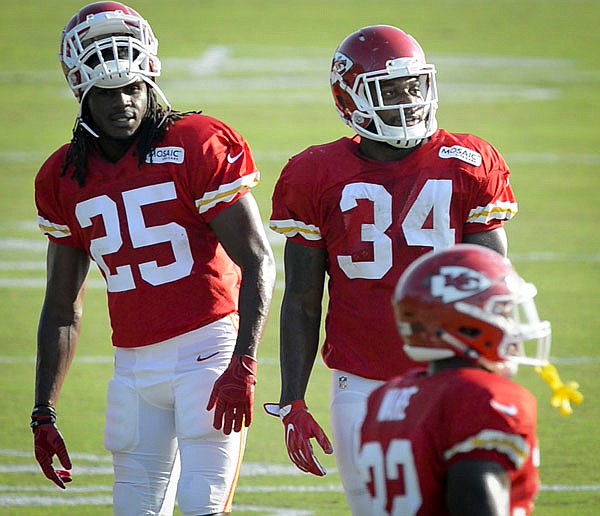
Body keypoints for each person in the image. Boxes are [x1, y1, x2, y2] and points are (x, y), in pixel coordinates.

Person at [30, 3, 276, 515]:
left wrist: (244, 364)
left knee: (203, 507)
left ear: (150, 82)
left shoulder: (196, 142)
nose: (123, 102)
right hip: (133, 368)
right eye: (107, 92)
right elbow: (61, 308)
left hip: (208, 354)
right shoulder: (62, 176)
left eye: (132, 87)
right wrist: (43, 412)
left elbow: (257, 260)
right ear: (82, 94)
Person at [266, 25, 518, 514]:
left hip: (452, 375)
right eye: (388, 89)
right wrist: (292, 400)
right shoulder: (315, 173)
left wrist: (491, 376)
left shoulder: (467, 162)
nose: (406, 101)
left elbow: (495, 283)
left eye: (412, 86)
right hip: (362, 383)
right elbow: (301, 296)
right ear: (349, 98)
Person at [357, 244, 551, 515]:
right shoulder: (479, 397)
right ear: (466, 323)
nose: (513, 325)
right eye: (502, 312)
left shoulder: (385, 398)